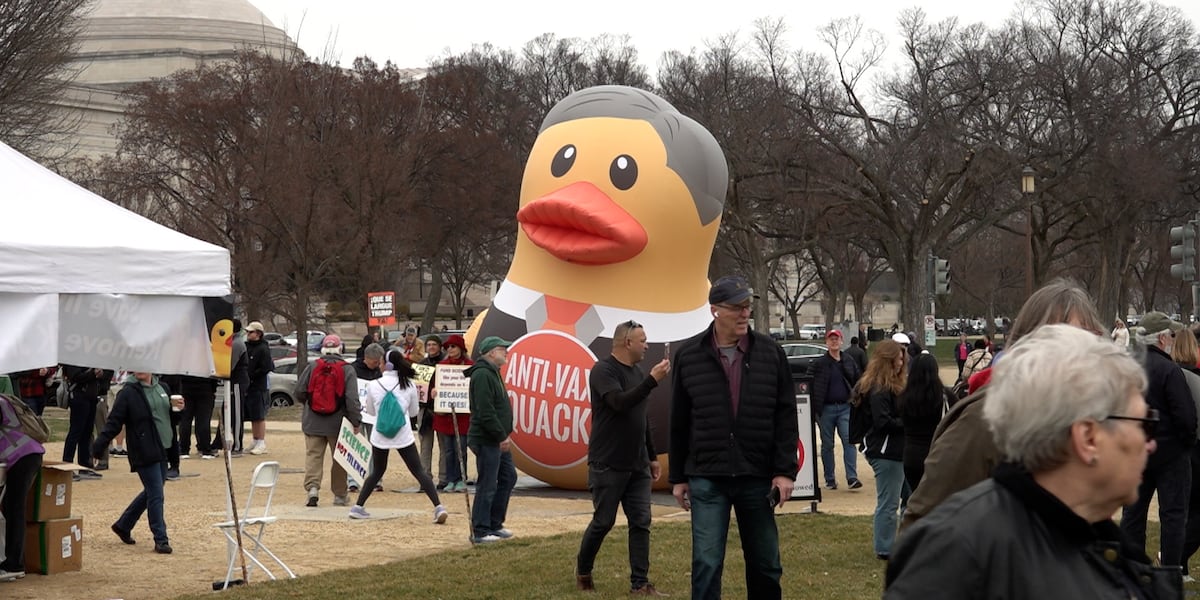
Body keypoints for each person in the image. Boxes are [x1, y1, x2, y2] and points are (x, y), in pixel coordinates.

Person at [884, 324, 1182, 599]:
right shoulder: (959, 558)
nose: (1150, 442)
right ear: (1088, 438)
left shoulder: (1102, 546)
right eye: (1143, 424)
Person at [899, 278, 1107, 532]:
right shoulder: (985, 418)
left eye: (1091, 339)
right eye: (1071, 338)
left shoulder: (1077, 418)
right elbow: (922, 525)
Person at [669, 274, 798, 600]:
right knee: (707, 562)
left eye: (747, 307)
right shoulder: (688, 356)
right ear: (715, 311)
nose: (744, 314)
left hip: (756, 474)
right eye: (737, 307)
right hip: (707, 476)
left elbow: (785, 416)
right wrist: (678, 477)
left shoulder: (771, 354)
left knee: (766, 564)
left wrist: (784, 471)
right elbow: (679, 422)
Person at [575, 320, 670, 596]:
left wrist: (651, 456)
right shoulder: (603, 371)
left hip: (637, 463)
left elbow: (641, 418)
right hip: (608, 461)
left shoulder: (639, 372)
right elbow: (618, 403)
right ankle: (583, 570)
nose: (647, 345)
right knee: (604, 521)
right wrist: (652, 381)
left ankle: (639, 583)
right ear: (627, 343)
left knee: (641, 521)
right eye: (642, 340)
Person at [1121, 311, 1197, 572]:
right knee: (1173, 517)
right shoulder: (1169, 370)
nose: (1173, 339)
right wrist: (1186, 444)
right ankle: (1169, 574)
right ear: (1162, 338)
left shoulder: (1127, 370)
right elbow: (1186, 416)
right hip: (1171, 455)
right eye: (1171, 335)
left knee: (1132, 514)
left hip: (1136, 452)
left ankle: (1132, 569)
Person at [349, 350, 448, 524]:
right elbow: (413, 412)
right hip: (403, 434)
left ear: (385, 365)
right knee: (419, 471)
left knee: (377, 471)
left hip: (380, 434)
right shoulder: (408, 384)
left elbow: (371, 411)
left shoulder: (374, 384)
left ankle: (358, 506)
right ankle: (438, 506)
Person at [93, 372, 185, 555]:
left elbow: (171, 420)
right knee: (156, 493)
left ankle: (123, 524)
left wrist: (179, 410)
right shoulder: (127, 392)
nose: (139, 369)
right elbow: (114, 422)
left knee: (152, 491)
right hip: (143, 450)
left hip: (163, 448)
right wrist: (98, 447)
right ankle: (161, 539)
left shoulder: (163, 388)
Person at [295, 334, 363, 507]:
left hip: (312, 421)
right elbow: (352, 399)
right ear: (340, 348)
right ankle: (340, 494)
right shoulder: (347, 369)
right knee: (339, 458)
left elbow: (299, 391)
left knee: (313, 456)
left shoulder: (312, 366)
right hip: (338, 423)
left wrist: (310, 405)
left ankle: (312, 489)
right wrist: (356, 421)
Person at [857, 339, 909, 560]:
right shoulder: (879, 388)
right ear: (888, 361)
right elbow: (883, 422)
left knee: (910, 497)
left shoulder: (896, 385)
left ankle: (907, 542)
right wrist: (910, 421)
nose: (902, 362)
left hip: (900, 451)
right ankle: (885, 548)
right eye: (899, 358)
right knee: (889, 503)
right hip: (886, 452)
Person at [466, 335, 517, 544]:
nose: (506, 352)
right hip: (487, 438)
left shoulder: (494, 373)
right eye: (502, 348)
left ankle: (495, 523)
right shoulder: (483, 375)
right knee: (488, 483)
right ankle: (480, 529)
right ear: (490, 352)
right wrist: (500, 435)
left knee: (508, 477)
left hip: (496, 438)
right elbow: (485, 411)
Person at [0, 393, 46, 581]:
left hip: (22, 457)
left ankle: (14, 564)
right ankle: (13, 561)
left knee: (14, 508)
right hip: (27, 454)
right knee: (12, 507)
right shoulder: (3, 399)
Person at [811, 329, 863, 490]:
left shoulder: (848, 360)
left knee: (849, 441)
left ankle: (852, 477)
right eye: (831, 339)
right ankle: (830, 479)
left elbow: (858, 379)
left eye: (837, 339)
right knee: (827, 444)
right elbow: (808, 381)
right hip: (825, 409)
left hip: (845, 408)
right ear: (826, 342)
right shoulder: (819, 363)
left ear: (841, 341)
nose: (834, 342)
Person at [899, 353, 952, 492]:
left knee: (917, 498)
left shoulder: (904, 397)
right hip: (937, 453)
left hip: (911, 454)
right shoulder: (944, 396)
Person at [1172, 328, 1200, 580]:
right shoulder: (1191, 377)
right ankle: (1177, 559)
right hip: (1195, 446)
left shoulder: (1170, 374)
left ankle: (1180, 564)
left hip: (1180, 447)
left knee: (1187, 509)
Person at [432, 335, 472, 492]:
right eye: (448, 347)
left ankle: (462, 479)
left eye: (453, 347)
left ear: (461, 348)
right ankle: (450, 479)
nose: (450, 350)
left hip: (462, 416)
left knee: (461, 449)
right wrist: (434, 392)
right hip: (444, 416)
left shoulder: (469, 366)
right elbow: (435, 386)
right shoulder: (442, 366)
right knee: (448, 450)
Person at [348, 343, 384, 493]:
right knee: (355, 446)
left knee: (375, 446)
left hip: (373, 415)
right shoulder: (352, 370)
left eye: (378, 362)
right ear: (366, 358)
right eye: (375, 362)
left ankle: (375, 479)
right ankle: (353, 480)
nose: (377, 365)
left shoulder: (379, 372)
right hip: (356, 413)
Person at [61, 365, 108, 479]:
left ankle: (84, 466)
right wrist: (93, 373)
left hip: (91, 397)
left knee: (87, 433)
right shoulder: (74, 359)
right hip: (79, 396)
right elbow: (75, 376)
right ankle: (67, 464)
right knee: (75, 432)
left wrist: (99, 375)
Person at [242, 321, 275, 455]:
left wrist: (253, 376)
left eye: (251, 332)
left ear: (259, 334)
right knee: (252, 415)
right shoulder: (247, 346)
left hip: (258, 386)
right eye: (248, 332)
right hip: (248, 386)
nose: (248, 334)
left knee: (259, 415)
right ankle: (255, 440)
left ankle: (261, 442)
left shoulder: (263, 348)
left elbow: (266, 367)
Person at [418, 336, 445, 488]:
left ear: (440, 346)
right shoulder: (422, 365)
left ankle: (444, 478)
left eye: (434, 344)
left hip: (442, 410)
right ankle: (425, 478)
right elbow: (418, 390)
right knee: (425, 446)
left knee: (444, 445)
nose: (431, 347)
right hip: (426, 409)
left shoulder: (445, 364)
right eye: (429, 344)